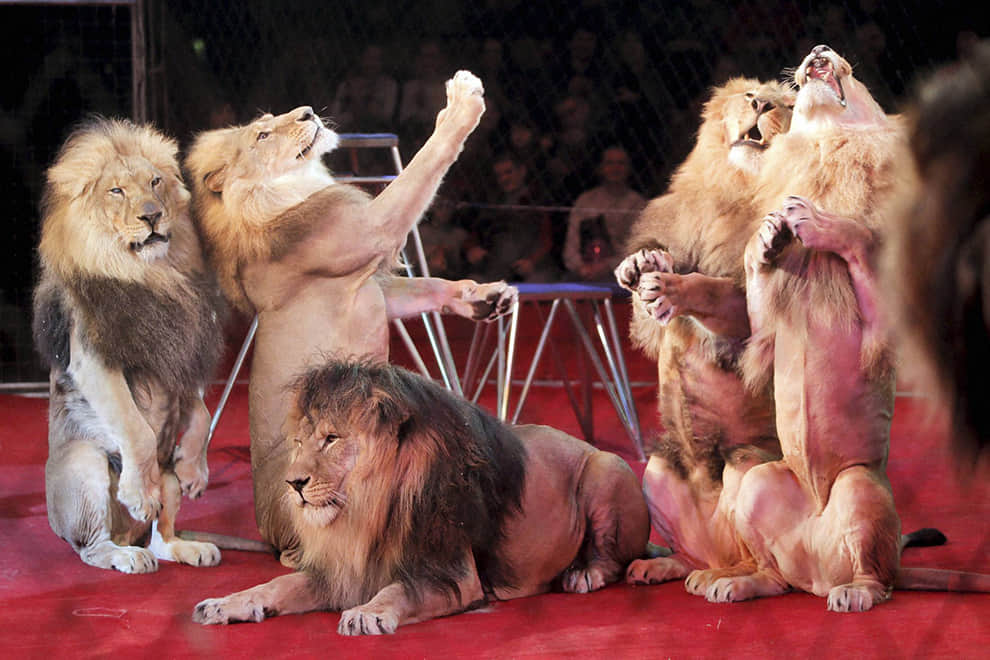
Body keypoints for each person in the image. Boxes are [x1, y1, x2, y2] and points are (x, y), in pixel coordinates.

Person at [464, 152, 560, 283]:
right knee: (473, 281)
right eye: (499, 175)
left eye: (509, 172)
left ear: (522, 171)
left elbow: (547, 239)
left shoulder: (537, 199)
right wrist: (472, 248)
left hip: (533, 267)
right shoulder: (493, 203)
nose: (504, 178)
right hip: (496, 267)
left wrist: (532, 261)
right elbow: (475, 233)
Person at [562, 146, 646, 281]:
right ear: (600, 168)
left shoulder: (638, 204)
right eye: (610, 163)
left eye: (620, 163)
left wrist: (608, 266)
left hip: (623, 272)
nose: (615, 168)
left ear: (629, 169)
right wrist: (580, 267)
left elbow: (638, 249)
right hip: (584, 270)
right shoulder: (585, 200)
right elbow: (571, 243)